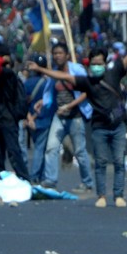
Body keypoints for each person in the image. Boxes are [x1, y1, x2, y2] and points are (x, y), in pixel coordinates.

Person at [29, 26, 127, 207]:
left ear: (105, 63)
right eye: (93, 63)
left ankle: (119, 195)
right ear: (89, 65)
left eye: (99, 63)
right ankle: (101, 195)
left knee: (118, 162)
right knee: (101, 162)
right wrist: (42, 69)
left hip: (117, 125)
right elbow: (62, 76)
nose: (96, 66)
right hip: (99, 127)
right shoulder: (86, 81)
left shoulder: (115, 72)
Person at [44, 42, 93, 192]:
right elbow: (51, 93)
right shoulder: (54, 73)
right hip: (59, 116)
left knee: (79, 151)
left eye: (60, 53)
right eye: (55, 53)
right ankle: (50, 180)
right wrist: (43, 103)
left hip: (75, 116)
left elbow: (86, 91)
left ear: (66, 55)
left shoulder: (76, 71)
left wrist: (70, 106)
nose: (57, 56)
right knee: (51, 147)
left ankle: (87, 182)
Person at [0, 43, 30, 181]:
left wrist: (4, 58)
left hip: (8, 119)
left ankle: (24, 178)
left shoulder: (8, 74)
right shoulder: (0, 77)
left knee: (13, 151)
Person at [22, 54, 56, 185]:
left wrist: (29, 118)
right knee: (40, 149)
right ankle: (35, 175)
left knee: (38, 147)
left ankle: (39, 175)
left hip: (31, 120)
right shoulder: (49, 83)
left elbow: (23, 102)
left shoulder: (27, 83)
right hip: (44, 119)